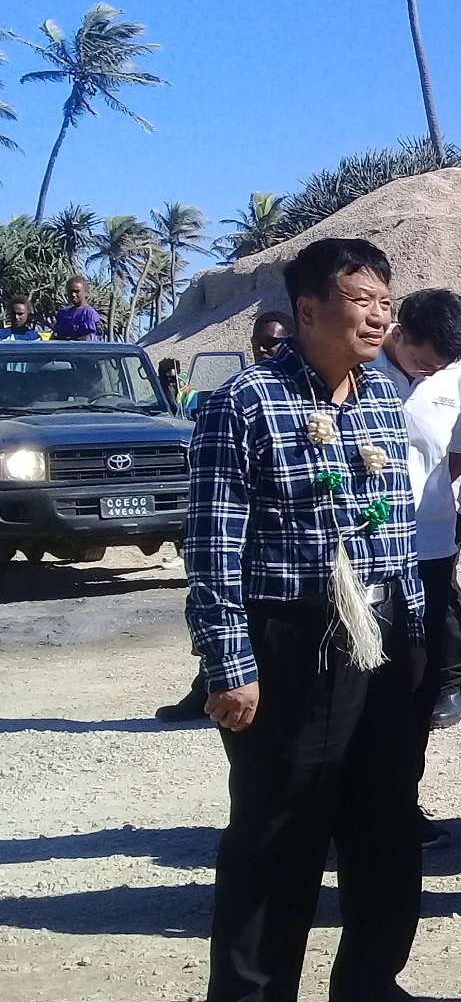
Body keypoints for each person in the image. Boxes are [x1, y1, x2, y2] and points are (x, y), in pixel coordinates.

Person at [185, 238, 444, 1002]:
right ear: (308, 309)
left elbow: (395, 528)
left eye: (385, 300)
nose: (379, 315)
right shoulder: (245, 404)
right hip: (290, 642)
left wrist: (414, 637)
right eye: (361, 298)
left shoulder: (383, 397)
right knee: (280, 830)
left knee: (384, 822)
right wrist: (229, 663)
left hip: (376, 638)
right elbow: (214, 550)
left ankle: (369, 985)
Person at [374, 289, 461, 845]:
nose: (432, 370)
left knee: (417, 679)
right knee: (364, 682)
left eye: (442, 364)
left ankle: (400, 801)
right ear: (400, 329)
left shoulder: (460, 378)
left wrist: (444, 509)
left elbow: (460, 453)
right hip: (369, 552)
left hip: (431, 547)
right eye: (424, 359)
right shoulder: (360, 368)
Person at [156, 310, 300, 723]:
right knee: (216, 600)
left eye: (273, 341)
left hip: (270, 542)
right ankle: (208, 684)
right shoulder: (239, 394)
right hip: (235, 525)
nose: (264, 348)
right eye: (259, 340)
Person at [52, 276, 101, 341]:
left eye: (77, 291)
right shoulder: (63, 313)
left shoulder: (89, 313)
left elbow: (88, 339)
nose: (73, 294)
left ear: (85, 292)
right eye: (71, 291)